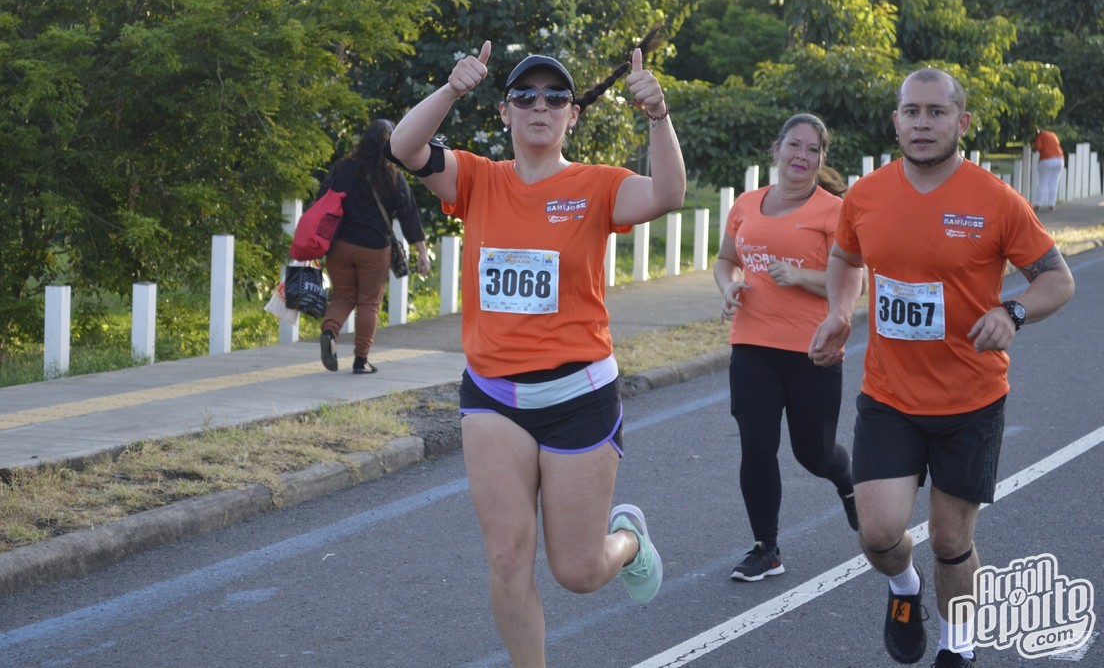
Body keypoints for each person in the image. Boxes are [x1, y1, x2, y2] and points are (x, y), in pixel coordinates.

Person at [387, 36, 685, 667]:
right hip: (494, 397)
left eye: (555, 97)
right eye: (524, 96)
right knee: (506, 556)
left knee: (577, 571)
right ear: (505, 113)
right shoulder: (478, 179)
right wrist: (451, 89)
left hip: (578, 395)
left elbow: (667, 195)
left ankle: (629, 540)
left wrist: (658, 115)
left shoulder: (598, 185)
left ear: (573, 115)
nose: (539, 106)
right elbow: (405, 147)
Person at [809, 69, 1075, 668]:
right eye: (912, 112)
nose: (923, 124)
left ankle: (960, 645)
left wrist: (1012, 311)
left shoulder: (996, 200)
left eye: (937, 112)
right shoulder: (866, 195)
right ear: (896, 121)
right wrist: (839, 312)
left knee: (952, 539)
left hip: (970, 399)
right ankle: (904, 587)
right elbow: (845, 258)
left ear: (963, 122)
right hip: (890, 395)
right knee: (878, 534)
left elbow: (1058, 280)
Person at [713, 113, 858, 583]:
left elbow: (851, 280)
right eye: (794, 145)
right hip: (752, 343)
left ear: (821, 158)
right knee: (756, 446)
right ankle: (766, 548)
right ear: (776, 150)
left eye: (813, 149)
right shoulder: (746, 205)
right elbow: (726, 260)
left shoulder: (833, 211)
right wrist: (728, 287)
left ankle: (847, 481)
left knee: (815, 454)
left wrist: (800, 276)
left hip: (812, 349)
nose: (802, 156)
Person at [317, 119, 431, 374]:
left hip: (340, 246)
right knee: (369, 303)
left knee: (343, 295)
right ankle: (361, 360)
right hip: (374, 249)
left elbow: (321, 199)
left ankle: (330, 332)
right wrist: (421, 251)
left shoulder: (343, 168)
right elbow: (409, 214)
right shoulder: (392, 174)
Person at [1032, 127, 1063, 212]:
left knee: (1043, 183)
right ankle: (1052, 205)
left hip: (1046, 160)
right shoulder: (1053, 134)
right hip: (1059, 159)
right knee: (1054, 183)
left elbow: (1038, 147)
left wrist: (1033, 147)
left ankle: (1037, 204)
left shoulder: (1040, 135)